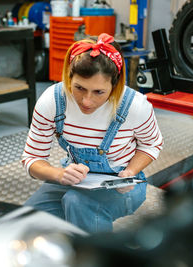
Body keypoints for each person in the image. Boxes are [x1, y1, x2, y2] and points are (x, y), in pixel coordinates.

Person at [21, 33, 163, 233]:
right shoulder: (52, 100)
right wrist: (59, 174)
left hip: (121, 184)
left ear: (114, 86)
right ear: (69, 77)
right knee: (25, 219)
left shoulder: (135, 105)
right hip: (72, 178)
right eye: (78, 88)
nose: (86, 101)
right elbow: (32, 158)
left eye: (99, 92)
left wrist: (129, 172)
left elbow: (151, 144)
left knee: (78, 203)